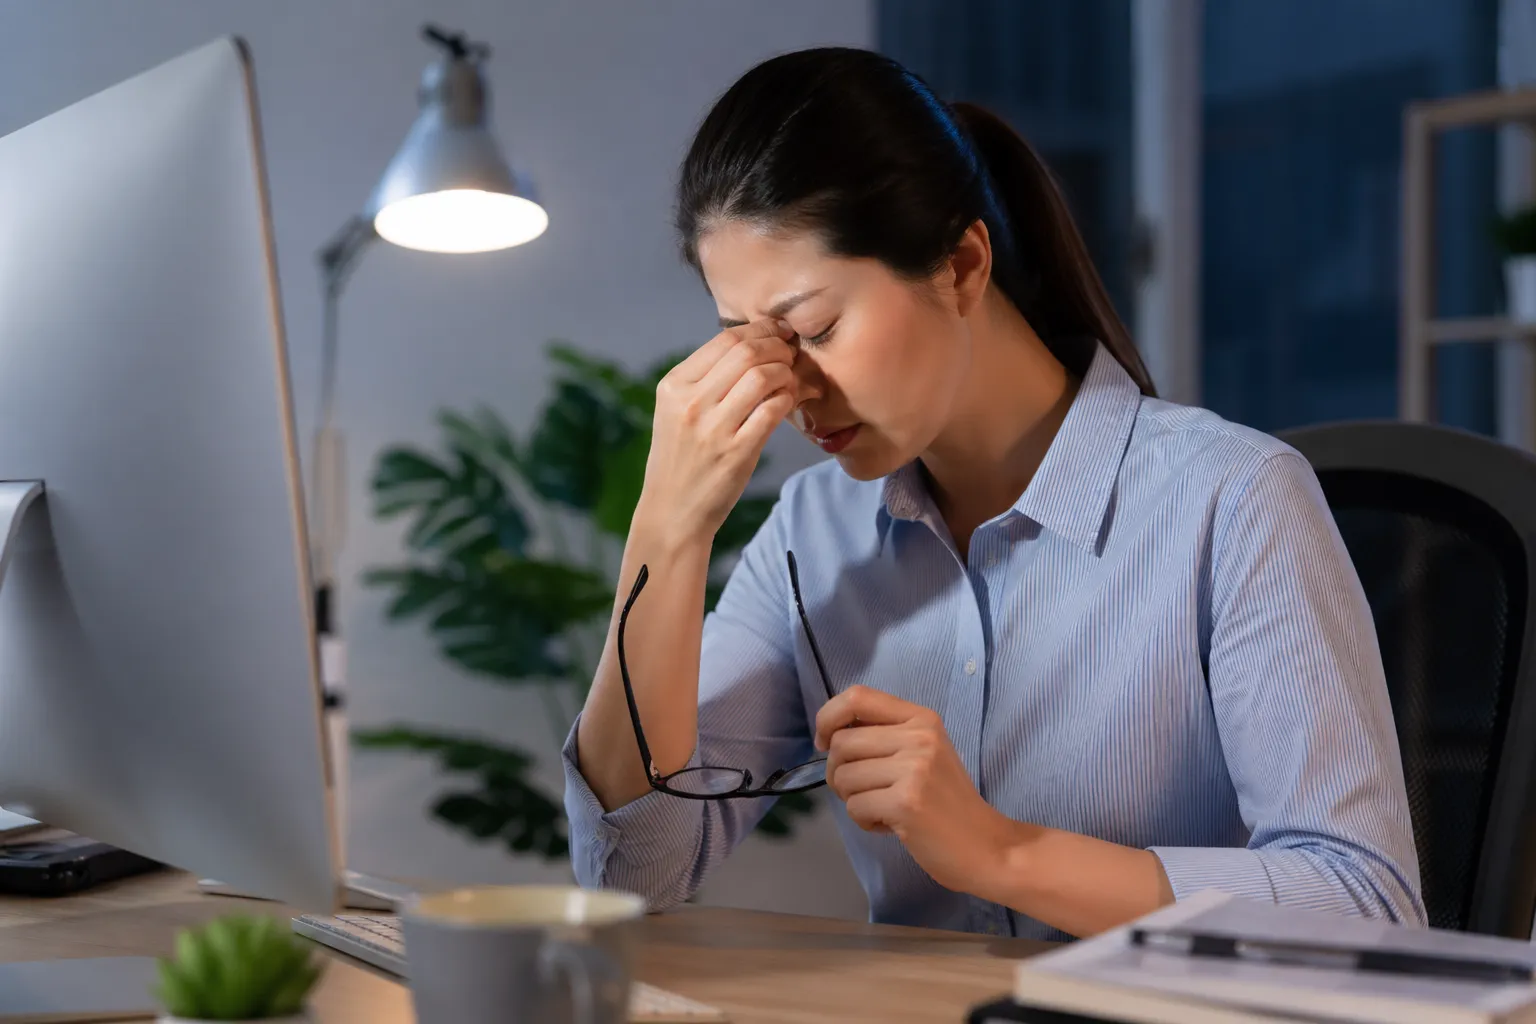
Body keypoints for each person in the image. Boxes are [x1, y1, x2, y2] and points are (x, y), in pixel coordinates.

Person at [561, 46, 1424, 941]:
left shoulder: (1233, 500)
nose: (789, 388)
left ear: (963, 265)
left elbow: (1371, 905)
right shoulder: (806, 536)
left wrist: (999, 853)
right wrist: (667, 526)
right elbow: (631, 871)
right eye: (747, 341)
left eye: (815, 328)